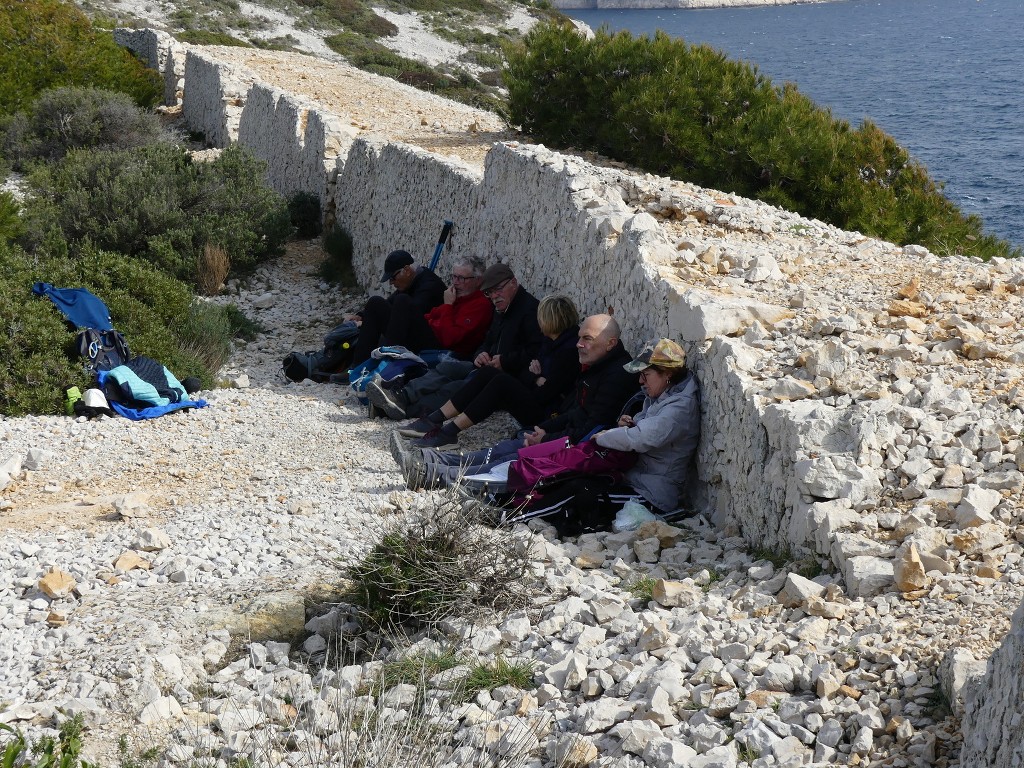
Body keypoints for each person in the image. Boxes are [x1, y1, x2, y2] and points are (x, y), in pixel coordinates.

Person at [396, 313, 638, 489]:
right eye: (579, 337)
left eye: (587, 338)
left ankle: (435, 474)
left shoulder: (616, 376)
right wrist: (544, 431)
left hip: (577, 448)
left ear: (610, 343)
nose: (579, 344)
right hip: (563, 430)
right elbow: (578, 413)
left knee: (513, 460)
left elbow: (592, 429)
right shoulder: (597, 365)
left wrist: (546, 438)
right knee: (506, 449)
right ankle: (438, 461)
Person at [507, 338, 700, 537]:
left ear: (667, 374)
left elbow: (641, 438)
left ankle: (514, 520)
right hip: (631, 479)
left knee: (579, 491)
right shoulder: (661, 395)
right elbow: (642, 430)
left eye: (646, 374)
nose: (640, 381)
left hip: (650, 495)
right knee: (570, 478)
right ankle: (515, 508)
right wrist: (626, 426)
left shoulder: (679, 409)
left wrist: (603, 437)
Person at [401, 295, 582, 449]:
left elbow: (546, 393)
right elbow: (528, 373)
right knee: (489, 372)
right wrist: (535, 378)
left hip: (548, 413)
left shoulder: (568, 351)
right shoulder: (550, 342)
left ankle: (450, 431)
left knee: (501, 383)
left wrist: (534, 377)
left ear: (550, 320)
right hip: (537, 396)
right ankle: (436, 418)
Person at [368, 262, 544, 420]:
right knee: (447, 368)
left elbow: (536, 350)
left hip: (506, 375)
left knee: (456, 387)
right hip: (485, 366)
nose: (495, 296)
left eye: (498, 289)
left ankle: (405, 409)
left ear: (513, 283)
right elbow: (488, 339)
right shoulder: (502, 308)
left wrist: (505, 360)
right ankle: (401, 396)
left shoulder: (529, 311)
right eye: (490, 292)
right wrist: (481, 354)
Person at [345, 249, 446, 371]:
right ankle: (358, 367)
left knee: (402, 301)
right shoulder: (410, 282)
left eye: (393, 277)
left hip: (428, 342)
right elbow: (388, 304)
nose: (392, 282)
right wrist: (361, 317)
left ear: (407, 270)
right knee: (375, 302)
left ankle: (387, 366)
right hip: (408, 333)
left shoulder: (430, 286)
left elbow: (407, 315)